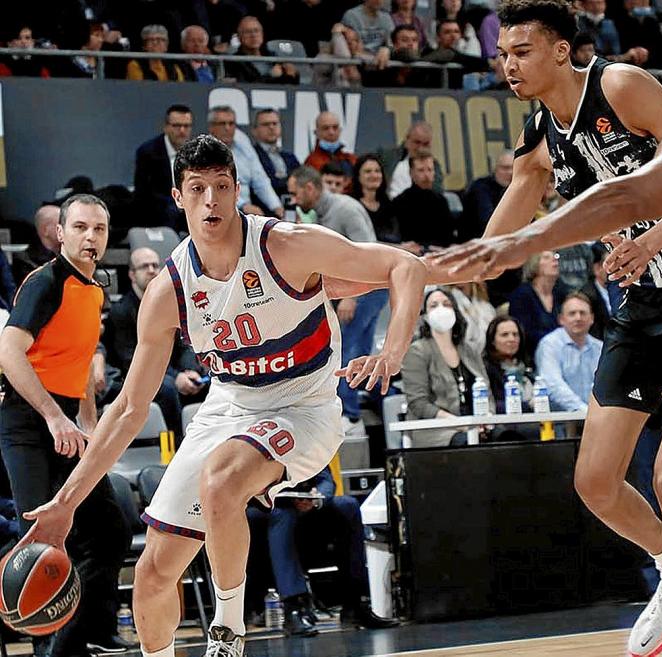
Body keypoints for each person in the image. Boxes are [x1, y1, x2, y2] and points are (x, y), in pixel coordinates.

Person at [19, 135, 426, 657]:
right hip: (229, 406)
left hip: (303, 408)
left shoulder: (286, 245)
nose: (211, 200)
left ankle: (228, 632)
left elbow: (405, 267)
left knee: (223, 479)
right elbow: (126, 410)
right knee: (153, 574)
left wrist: (389, 356)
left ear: (237, 190)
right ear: (177, 197)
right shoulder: (169, 289)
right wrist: (65, 503)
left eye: (221, 187)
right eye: (198, 189)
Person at [425, 1, 662, 653]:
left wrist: (656, 235)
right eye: (502, 53)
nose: (507, 64)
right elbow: (513, 212)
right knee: (595, 481)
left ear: (562, 52)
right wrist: (457, 266)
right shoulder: (544, 134)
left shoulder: (622, 85)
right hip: (644, 308)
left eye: (521, 51)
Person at [0, 194, 131, 657]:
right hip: (26, 420)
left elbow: (80, 364)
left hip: (67, 425)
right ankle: (45, 646)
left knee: (109, 532)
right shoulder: (44, 281)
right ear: (60, 232)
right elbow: (9, 352)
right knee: (40, 540)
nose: (90, 237)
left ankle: (76, 641)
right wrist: (54, 417)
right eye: (79, 227)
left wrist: (89, 422)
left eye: (98, 229)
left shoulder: (96, 289)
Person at [287, 166, 386, 437]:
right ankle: (366, 410)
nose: (293, 200)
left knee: (345, 350)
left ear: (310, 189)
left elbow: (371, 254)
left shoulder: (346, 209)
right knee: (362, 350)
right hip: (356, 289)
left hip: (370, 288)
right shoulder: (318, 215)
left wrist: (351, 297)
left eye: (296, 193)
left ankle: (350, 415)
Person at [267, 466, 397, 635]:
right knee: (281, 515)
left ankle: (356, 602)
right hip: (272, 506)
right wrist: (287, 500)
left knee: (348, 505)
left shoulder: (309, 444)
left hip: (309, 505)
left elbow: (326, 480)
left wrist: (316, 499)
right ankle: (294, 607)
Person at [103, 247, 208, 439]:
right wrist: (176, 377)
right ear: (132, 275)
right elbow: (130, 359)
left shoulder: (171, 303)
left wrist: (189, 370)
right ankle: (175, 449)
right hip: (128, 375)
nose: (152, 270)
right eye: (144, 266)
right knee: (166, 389)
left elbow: (183, 344)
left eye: (155, 265)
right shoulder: (121, 311)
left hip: (168, 371)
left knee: (208, 379)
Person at [401, 287, 493, 448]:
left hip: (476, 424)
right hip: (436, 429)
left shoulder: (469, 350)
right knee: (467, 443)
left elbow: (487, 391)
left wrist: (487, 420)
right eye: (434, 305)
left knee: (509, 437)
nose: (441, 309)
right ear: (425, 316)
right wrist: (462, 424)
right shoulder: (417, 351)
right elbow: (418, 403)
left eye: (446, 304)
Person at [208, 105, 284, 218]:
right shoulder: (205, 150)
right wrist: (243, 205)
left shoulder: (242, 143)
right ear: (211, 127)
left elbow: (260, 180)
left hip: (245, 212)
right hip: (219, 208)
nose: (228, 128)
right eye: (222, 124)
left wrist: (276, 206)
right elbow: (217, 187)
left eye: (231, 123)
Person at [535, 292, 603, 411]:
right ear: (561, 319)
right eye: (572, 313)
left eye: (583, 313)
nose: (578, 318)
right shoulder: (550, 344)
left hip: (596, 417)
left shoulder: (600, 348)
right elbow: (553, 384)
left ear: (592, 318)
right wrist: (583, 410)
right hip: (560, 419)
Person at [134, 104, 193, 231]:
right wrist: (177, 204)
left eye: (186, 126)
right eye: (177, 126)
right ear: (166, 127)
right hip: (159, 212)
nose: (182, 130)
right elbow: (144, 194)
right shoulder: (148, 152)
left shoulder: (195, 152)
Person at [391, 151, 456, 250]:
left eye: (430, 170)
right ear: (411, 173)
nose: (426, 175)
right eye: (421, 170)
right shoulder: (400, 202)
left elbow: (449, 236)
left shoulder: (441, 201)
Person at [508, 250, 566, 357]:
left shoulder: (561, 293)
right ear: (534, 264)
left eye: (555, 257)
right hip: (533, 354)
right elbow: (524, 332)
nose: (554, 260)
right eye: (546, 257)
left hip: (563, 352)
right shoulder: (522, 295)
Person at [226, 16, 300, 85]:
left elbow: (289, 83)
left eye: (256, 30)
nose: (253, 35)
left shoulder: (272, 55)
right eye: (248, 32)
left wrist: (292, 73)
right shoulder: (234, 61)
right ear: (239, 37)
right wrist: (270, 75)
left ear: (262, 34)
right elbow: (245, 88)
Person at [482, 315, 533, 414]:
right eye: (505, 335)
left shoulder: (528, 366)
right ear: (492, 340)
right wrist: (529, 406)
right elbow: (493, 405)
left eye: (515, 334)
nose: (512, 339)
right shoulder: (485, 369)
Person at [461, 150, 514, 239]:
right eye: (505, 168)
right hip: (478, 241)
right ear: (495, 169)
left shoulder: (515, 187)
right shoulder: (480, 187)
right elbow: (488, 221)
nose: (510, 172)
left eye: (514, 168)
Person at [251, 109, 300, 202]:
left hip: (292, 209)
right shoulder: (251, 156)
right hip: (263, 211)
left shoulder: (290, 157)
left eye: (275, 123)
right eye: (266, 124)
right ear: (254, 130)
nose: (271, 127)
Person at [386, 121, 444, 199]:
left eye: (425, 144)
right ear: (407, 141)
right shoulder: (390, 159)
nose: (420, 147)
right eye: (417, 142)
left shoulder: (434, 166)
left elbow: (437, 191)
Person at [304, 111, 358, 183]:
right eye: (326, 128)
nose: (331, 132)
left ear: (340, 130)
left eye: (335, 127)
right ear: (316, 133)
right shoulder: (311, 162)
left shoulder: (351, 159)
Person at [342, 0, 394, 69]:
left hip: (381, 63)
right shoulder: (351, 15)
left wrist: (387, 49)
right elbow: (351, 46)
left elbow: (393, 42)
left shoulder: (386, 17)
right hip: (357, 63)